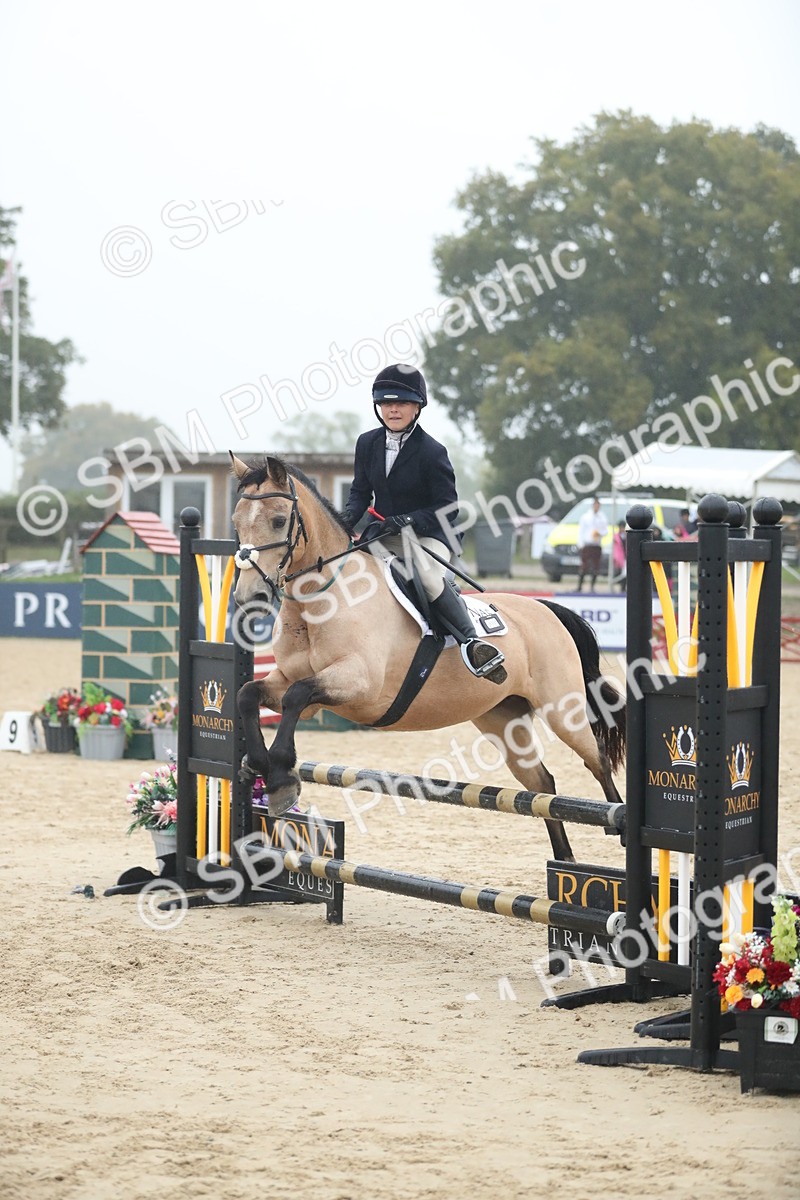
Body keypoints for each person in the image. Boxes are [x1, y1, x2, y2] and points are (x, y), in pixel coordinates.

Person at [344, 363, 506, 683]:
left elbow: (448, 507)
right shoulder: (366, 443)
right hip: (384, 534)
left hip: (429, 537)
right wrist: (342, 520)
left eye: (402, 403)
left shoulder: (432, 452)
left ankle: (472, 643)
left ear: (417, 407)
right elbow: (360, 493)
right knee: (349, 570)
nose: (393, 409)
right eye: (386, 403)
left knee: (429, 579)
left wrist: (410, 519)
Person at [576, 497, 608, 591]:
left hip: (596, 545)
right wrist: (580, 544)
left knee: (595, 567)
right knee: (584, 567)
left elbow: (605, 530)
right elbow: (581, 531)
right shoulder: (586, 517)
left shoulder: (602, 517)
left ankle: (592, 587)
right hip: (587, 544)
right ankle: (580, 586)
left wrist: (600, 533)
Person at [612, 519, 627, 590]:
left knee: (624, 574)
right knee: (618, 573)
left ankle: (623, 588)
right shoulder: (616, 537)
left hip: (626, 557)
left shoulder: (627, 536)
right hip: (619, 557)